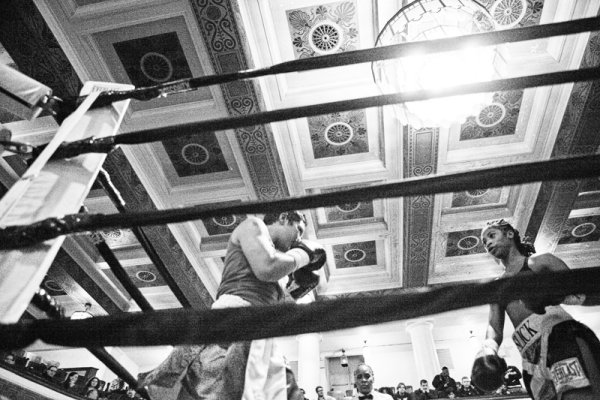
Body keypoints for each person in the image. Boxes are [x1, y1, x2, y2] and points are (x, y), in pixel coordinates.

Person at [139, 211, 326, 400]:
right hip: (232, 322)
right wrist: (304, 254)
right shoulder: (253, 227)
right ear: (283, 218)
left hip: (255, 332)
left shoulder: (279, 270)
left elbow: (274, 309)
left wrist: (296, 292)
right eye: (298, 230)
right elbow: (266, 268)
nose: (299, 239)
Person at [473, 219, 600, 399]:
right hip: (530, 359)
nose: (488, 243)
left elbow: (583, 293)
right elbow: (494, 328)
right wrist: (488, 351)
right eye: (485, 242)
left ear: (509, 234)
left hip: (560, 338)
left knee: (577, 396)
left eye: (492, 235)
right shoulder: (498, 287)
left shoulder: (541, 262)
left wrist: (559, 297)